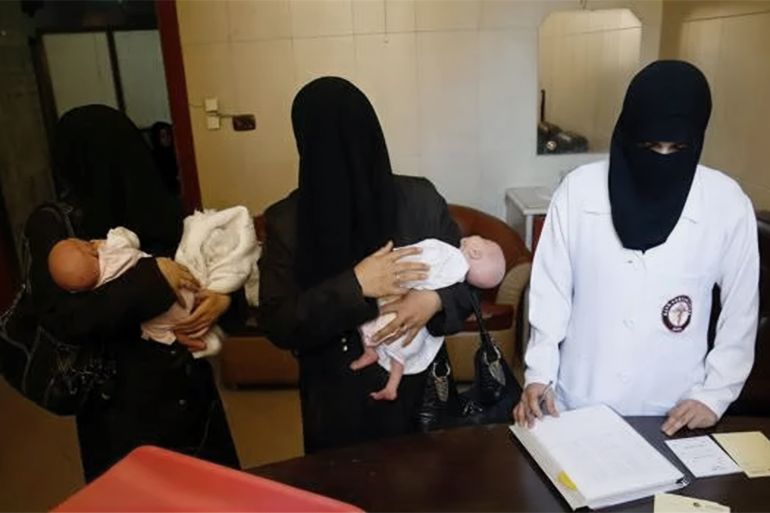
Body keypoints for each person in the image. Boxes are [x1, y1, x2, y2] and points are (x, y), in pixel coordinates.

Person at [513, 61, 759, 436]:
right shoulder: (579, 191)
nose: (662, 158)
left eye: (677, 147)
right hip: (577, 400)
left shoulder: (726, 204)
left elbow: (741, 312)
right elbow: (550, 292)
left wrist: (715, 395)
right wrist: (539, 374)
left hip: (673, 410)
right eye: (649, 145)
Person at [258, 77, 475, 453]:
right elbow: (279, 322)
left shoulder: (419, 200)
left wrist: (434, 301)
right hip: (338, 400)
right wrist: (355, 285)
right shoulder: (288, 221)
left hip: (420, 394)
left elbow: (465, 283)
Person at [27, 105, 243, 481]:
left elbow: (219, 278)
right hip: (118, 408)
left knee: (211, 494)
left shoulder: (161, 209)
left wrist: (223, 299)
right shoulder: (56, 228)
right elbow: (67, 319)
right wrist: (153, 277)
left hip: (190, 396)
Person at [48, 205, 258, 358]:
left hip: (171, 321)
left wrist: (224, 294)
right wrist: (156, 273)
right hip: (134, 376)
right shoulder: (90, 245)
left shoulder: (90, 274)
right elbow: (75, 321)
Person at [351, 236, 505, 401]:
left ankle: (372, 355)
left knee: (372, 328)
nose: (480, 237)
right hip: (362, 325)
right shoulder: (460, 268)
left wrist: (436, 300)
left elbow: (470, 294)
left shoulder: (450, 254)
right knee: (399, 353)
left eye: (485, 240)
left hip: (410, 321)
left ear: (475, 252)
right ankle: (390, 385)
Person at [150, 121, 181, 195]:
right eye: (163, 136)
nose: (167, 138)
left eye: (168, 134)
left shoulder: (176, 151)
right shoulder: (154, 157)